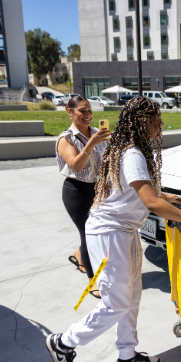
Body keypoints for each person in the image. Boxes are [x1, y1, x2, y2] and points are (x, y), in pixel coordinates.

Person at [46, 96, 181, 362]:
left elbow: (135, 189)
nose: (161, 125)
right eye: (156, 120)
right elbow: (150, 203)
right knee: (117, 303)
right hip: (110, 233)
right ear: (142, 122)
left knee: (133, 295)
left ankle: (127, 356)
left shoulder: (129, 149)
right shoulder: (133, 153)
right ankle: (64, 343)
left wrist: (164, 195)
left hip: (123, 231)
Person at [56, 96, 110, 298]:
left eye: (89, 111)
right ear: (69, 112)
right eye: (82, 111)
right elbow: (76, 165)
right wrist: (91, 144)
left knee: (101, 232)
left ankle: (80, 254)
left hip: (99, 189)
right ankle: (92, 281)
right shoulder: (66, 138)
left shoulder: (98, 133)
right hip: (76, 190)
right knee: (89, 234)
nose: (88, 115)